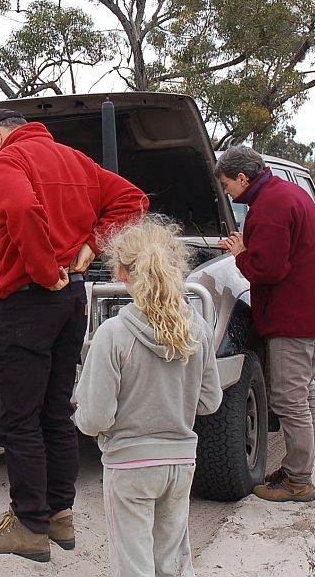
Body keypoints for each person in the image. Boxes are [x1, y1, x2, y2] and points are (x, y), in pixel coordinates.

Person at [0, 109, 148, 562]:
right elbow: (134, 199)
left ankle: (28, 526)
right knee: (54, 409)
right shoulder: (75, 160)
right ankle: (58, 515)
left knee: (16, 417)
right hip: (73, 300)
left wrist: (45, 270)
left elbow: (23, 209)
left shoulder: (8, 161)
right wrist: (91, 244)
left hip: (30, 299)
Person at [73, 216, 222, 577]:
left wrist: (83, 416)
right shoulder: (196, 328)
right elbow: (210, 401)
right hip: (181, 462)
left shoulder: (113, 334)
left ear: (122, 274)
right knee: (173, 561)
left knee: (133, 566)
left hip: (129, 466)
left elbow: (94, 418)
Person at [216, 145, 315, 503]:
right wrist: (248, 246)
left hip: (295, 318)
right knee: (305, 392)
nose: (226, 192)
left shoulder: (270, 206)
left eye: (227, 185)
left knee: (288, 398)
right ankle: (298, 466)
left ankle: (299, 480)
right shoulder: (287, 193)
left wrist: (240, 254)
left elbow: (268, 270)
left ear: (243, 178)